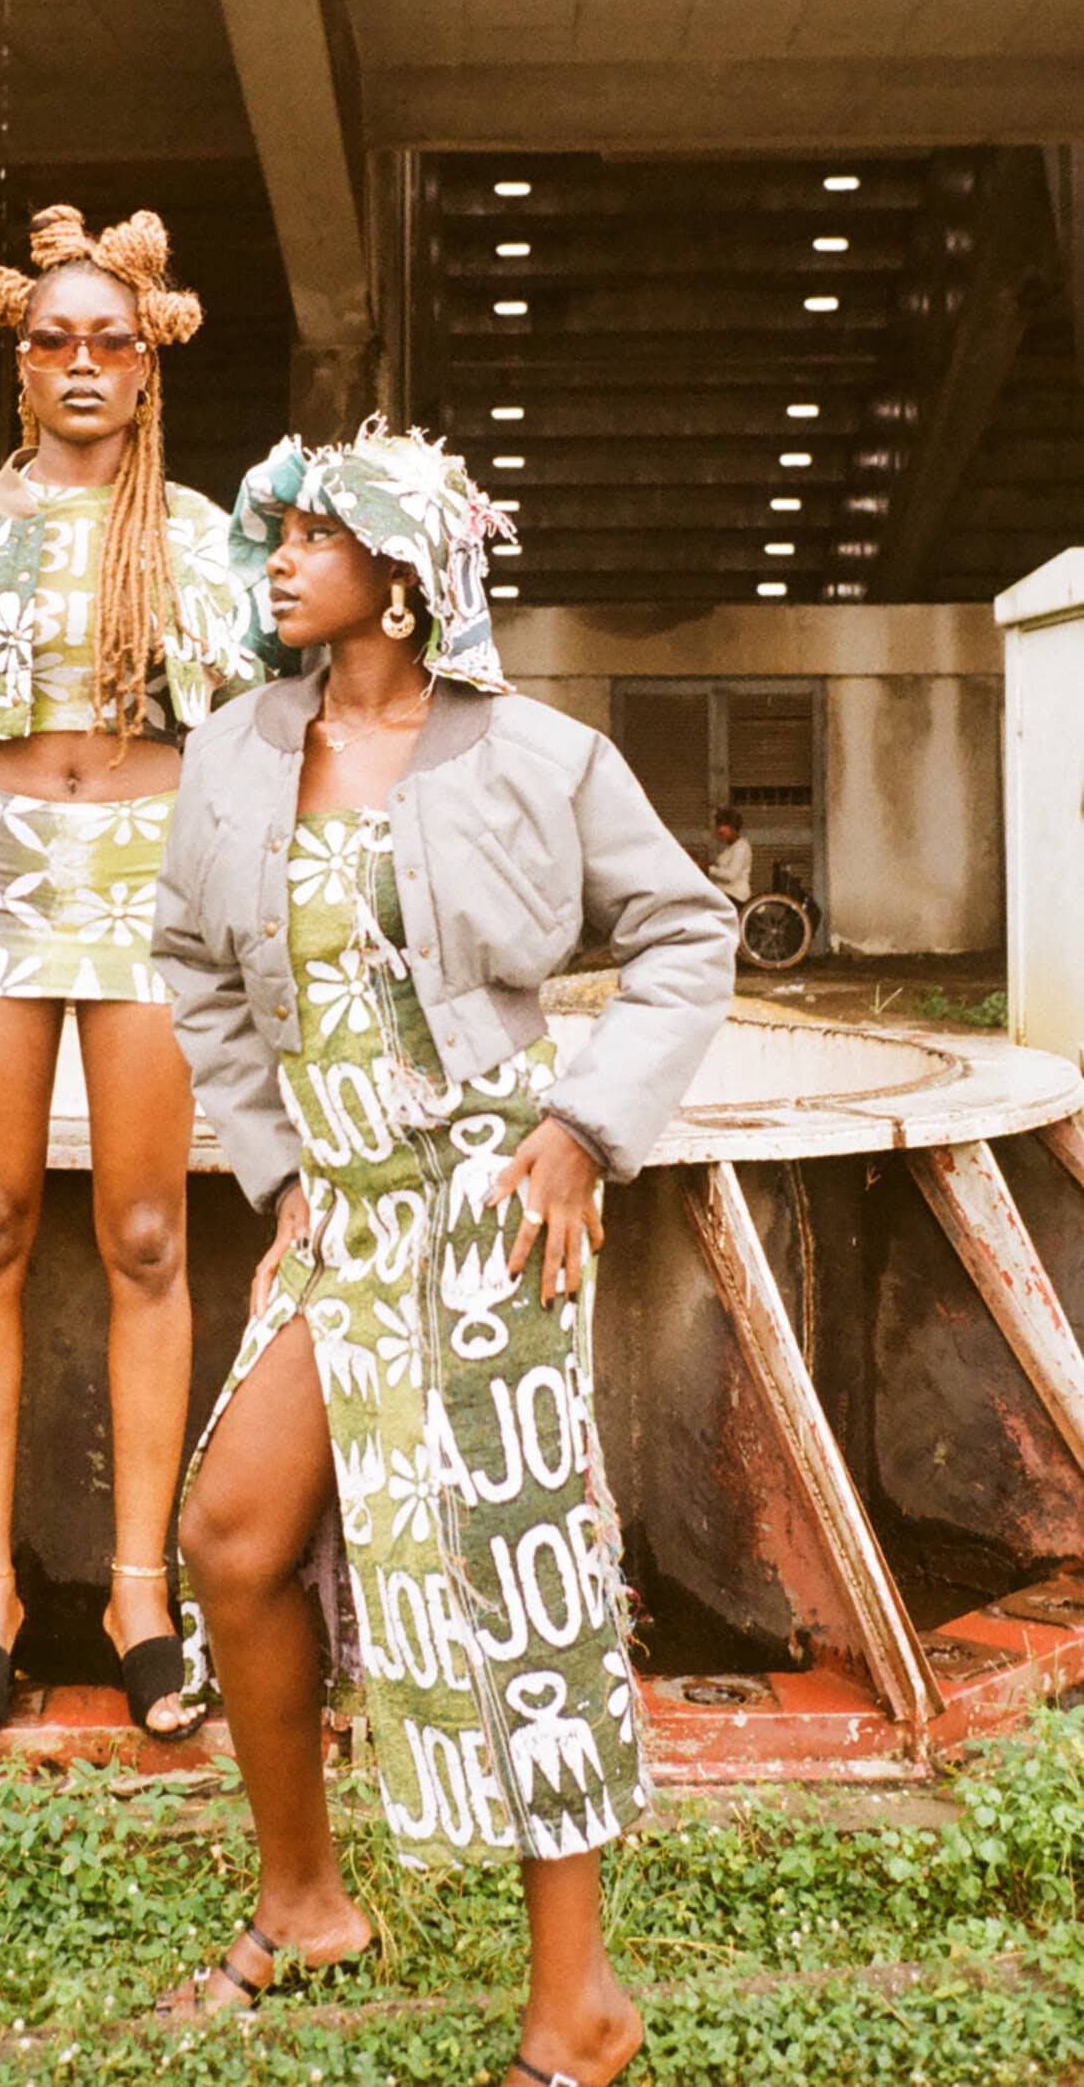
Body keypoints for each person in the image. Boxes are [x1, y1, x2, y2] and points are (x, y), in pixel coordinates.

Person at [150, 420, 737, 2086]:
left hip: (492, 1213)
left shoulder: (540, 756)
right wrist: (278, 1172)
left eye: (313, 537)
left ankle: (579, 2007)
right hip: (339, 1213)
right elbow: (196, 964)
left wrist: (585, 1128)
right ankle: (307, 1902)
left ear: (404, 580)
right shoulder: (235, 751)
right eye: (275, 533)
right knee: (234, 1530)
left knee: (519, 1581)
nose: (277, 559)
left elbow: (685, 931)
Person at [0, 203, 257, 1748]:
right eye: (52, 341)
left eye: (109, 342)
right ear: (19, 365)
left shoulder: (205, 539)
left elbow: (262, 744)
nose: (81, 364)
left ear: (148, 365)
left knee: (146, 1232)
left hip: (156, 880)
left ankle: (143, 1597)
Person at [707, 807, 753, 906]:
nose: (719, 830)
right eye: (718, 825)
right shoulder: (729, 847)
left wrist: (708, 869)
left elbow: (731, 875)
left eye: (723, 826)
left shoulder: (741, 847)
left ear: (733, 828)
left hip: (735, 895)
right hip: (723, 893)